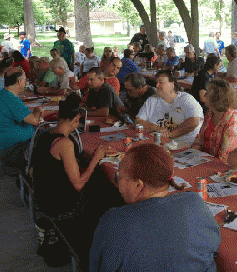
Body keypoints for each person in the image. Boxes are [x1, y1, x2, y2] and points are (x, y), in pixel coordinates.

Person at [89, 144, 221, 272]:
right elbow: (214, 248)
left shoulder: (112, 222)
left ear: (138, 185)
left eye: (120, 178)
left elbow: (96, 267)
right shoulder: (195, 203)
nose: (117, 184)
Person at [32, 93, 124, 268]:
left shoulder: (44, 135)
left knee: (98, 182)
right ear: (75, 119)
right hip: (60, 207)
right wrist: (96, 159)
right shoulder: (64, 144)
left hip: (43, 199)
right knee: (108, 193)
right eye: (78, 120)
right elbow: (78, 185)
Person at [0, 67, 43, 168]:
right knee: (53, 144)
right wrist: (38, 110)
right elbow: (35, 120)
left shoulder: (2, 95)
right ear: (20, 81)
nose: (26, 82)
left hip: (3, 147)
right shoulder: (11, 100)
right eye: (25, 80)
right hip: (12, 150)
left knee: (45, 135)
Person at [136, 69, 203, 147]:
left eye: (161, 82)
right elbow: (138, 121)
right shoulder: (152, 100)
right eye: (156, 82)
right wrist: (158, 128)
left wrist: (170, 134)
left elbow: (194, 122)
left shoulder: (186, 99)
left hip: (184, 146)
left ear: (172, 85)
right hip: (160, 144)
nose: (157, 86)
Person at [191, 79, 237, 164]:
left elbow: (226, 157)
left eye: (207, 93)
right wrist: (193, 152)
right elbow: (200, 138)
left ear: (217, 98)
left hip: (225, 168)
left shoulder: (233, 121)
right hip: (205, 161)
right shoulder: (210, 113)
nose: (204, 95)